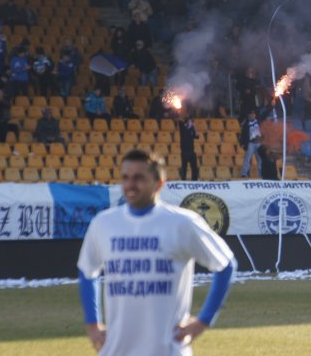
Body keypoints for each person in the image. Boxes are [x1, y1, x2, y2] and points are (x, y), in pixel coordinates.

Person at [77, 150, 236, 356]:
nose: (130, 184)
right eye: (125, 178)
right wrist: (92, 323)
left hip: (167, 350)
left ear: (159, 183)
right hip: (116, 350)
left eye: (139, 178)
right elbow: (87, 270)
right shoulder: (103, 223)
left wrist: (203, 321)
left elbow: (226, 265)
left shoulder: (182, 223)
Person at [239, 110, 262, 178]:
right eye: (251, 114)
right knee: (247, 158)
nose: (253, 115)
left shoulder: (259, 122)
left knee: (260, 159)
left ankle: (261, 174)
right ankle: (244, 173)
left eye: (253, 114)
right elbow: (242, 135)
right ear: (249, 115)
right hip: (250, 143)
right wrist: (242, 143)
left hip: (258, 142)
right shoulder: (246, 124)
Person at [178, 114, 199, 181]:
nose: (191, 122)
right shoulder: (182, 127)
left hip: (191, 151)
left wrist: (194, 126)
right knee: (184, 168)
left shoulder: (191, 129)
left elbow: (197, 136)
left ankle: (194, 181)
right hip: (184, 151)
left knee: (194, 168)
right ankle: (183, 181)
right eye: (190, 121)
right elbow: (180, 121)